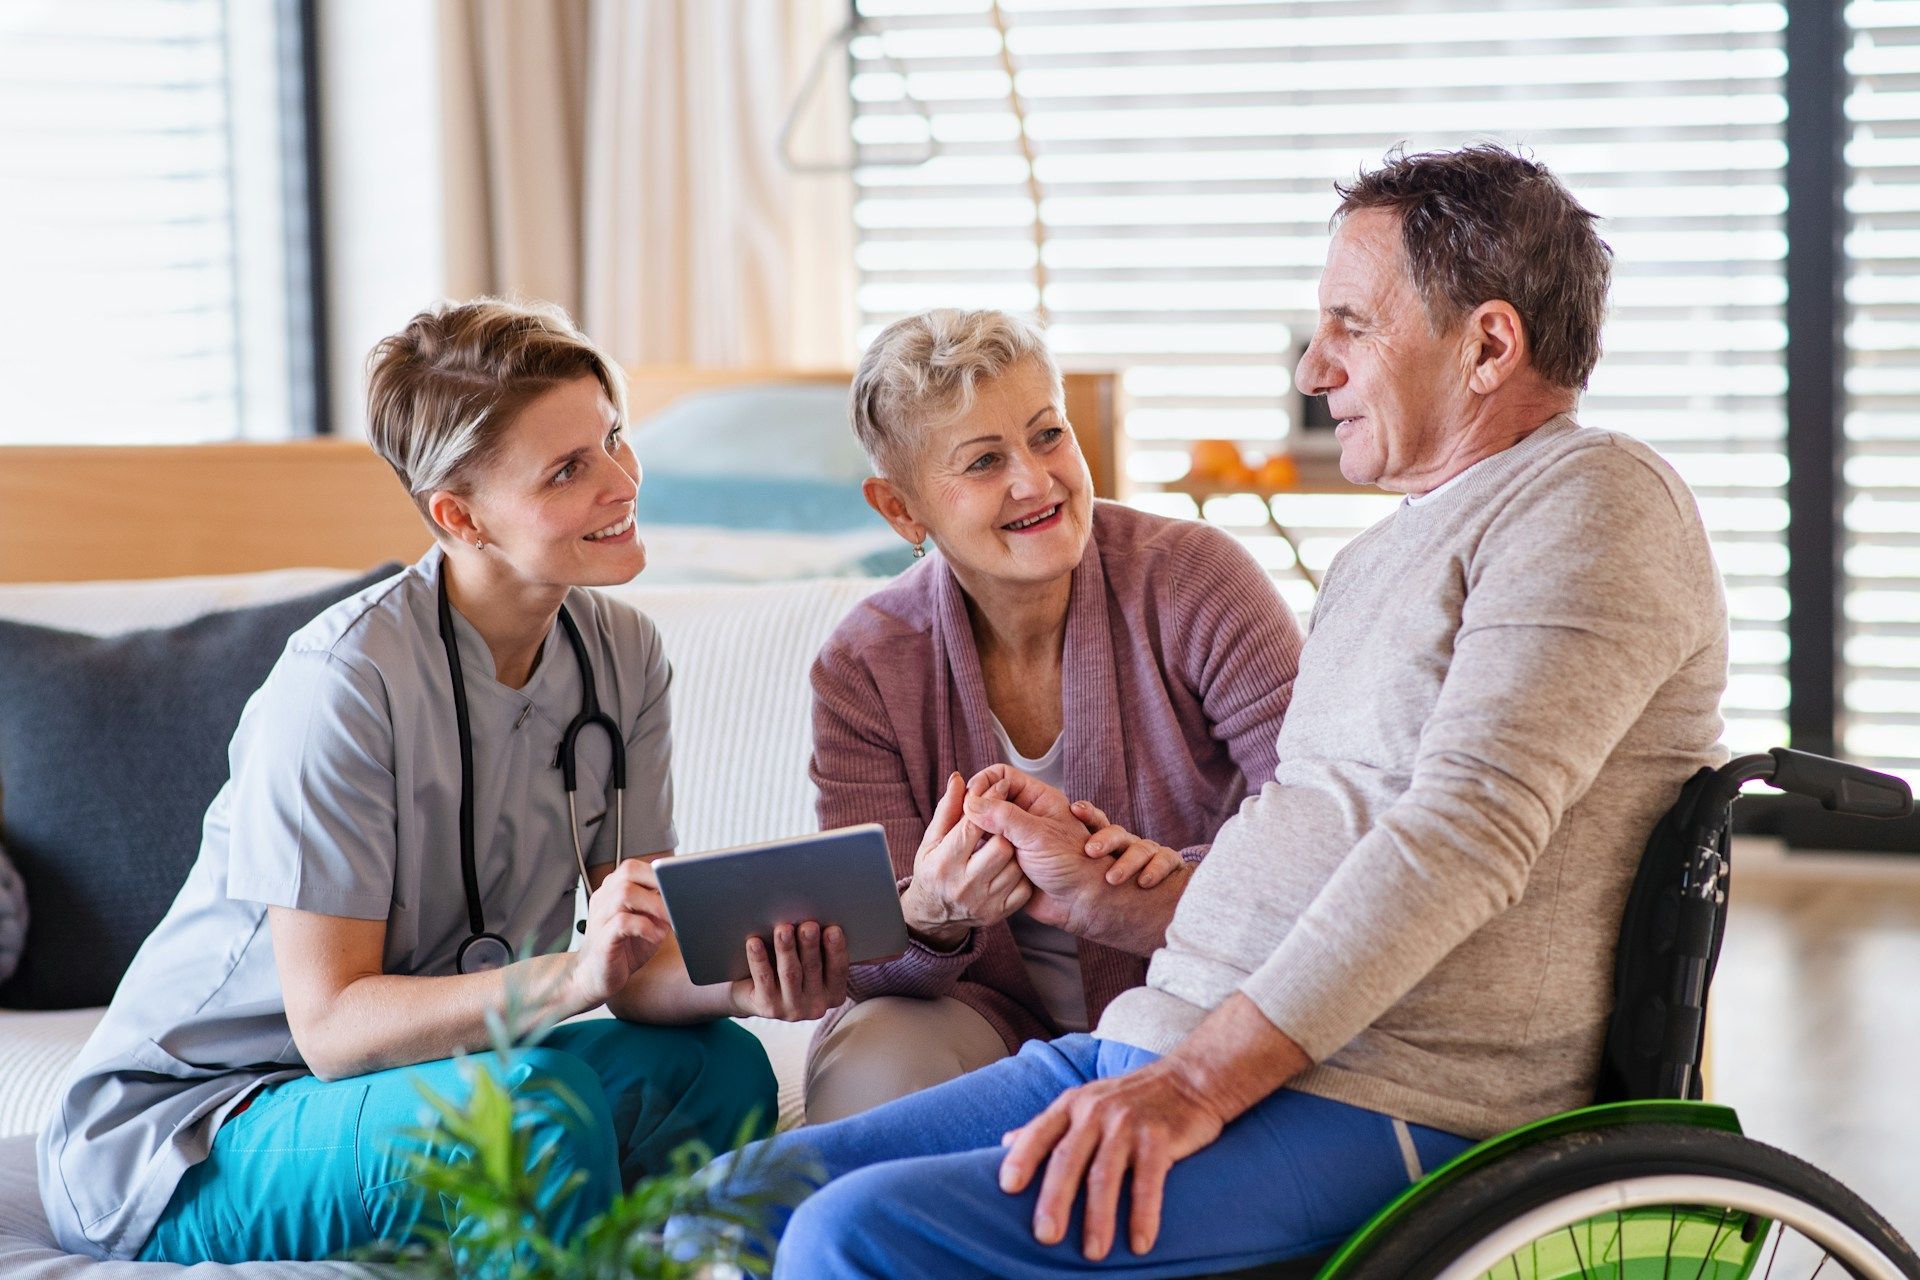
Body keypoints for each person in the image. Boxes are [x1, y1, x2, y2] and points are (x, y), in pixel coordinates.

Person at [705, 144, 1731, 1277]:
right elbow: (1308, 838)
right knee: (718, 1206)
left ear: (1488, 343)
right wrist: (1103, 893)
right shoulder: (1385, 552)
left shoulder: (1591, 502)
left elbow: (1465, 834)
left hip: (1382, 1086)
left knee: (855, 1234)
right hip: (1164, 1032)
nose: (1313, 367)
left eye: (1350, 322)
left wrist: (1197, 1079)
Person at [38, 299, 847, 1264]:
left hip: (418, 1080)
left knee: (713, 1071)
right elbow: (333, 1028)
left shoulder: (621, 654)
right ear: (459, 517)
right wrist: (573, 974)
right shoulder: (343, 682)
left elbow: (638, 969)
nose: (623, 480)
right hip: (196, 1128)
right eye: (567, 470)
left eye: (614, 438)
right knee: (527, 1117)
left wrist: (740, 984)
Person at [804, 308, 1304, 1122]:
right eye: (984, 461)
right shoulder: (863, 667)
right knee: (875, 1059)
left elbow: (1329, 833)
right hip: (987, 1021)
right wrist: (932, 911)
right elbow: (866, 959)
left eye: (1047, 436)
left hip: (1194, 992)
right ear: (901, 510)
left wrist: (1158, 886)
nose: (1035, 481)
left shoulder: (1196, 580)